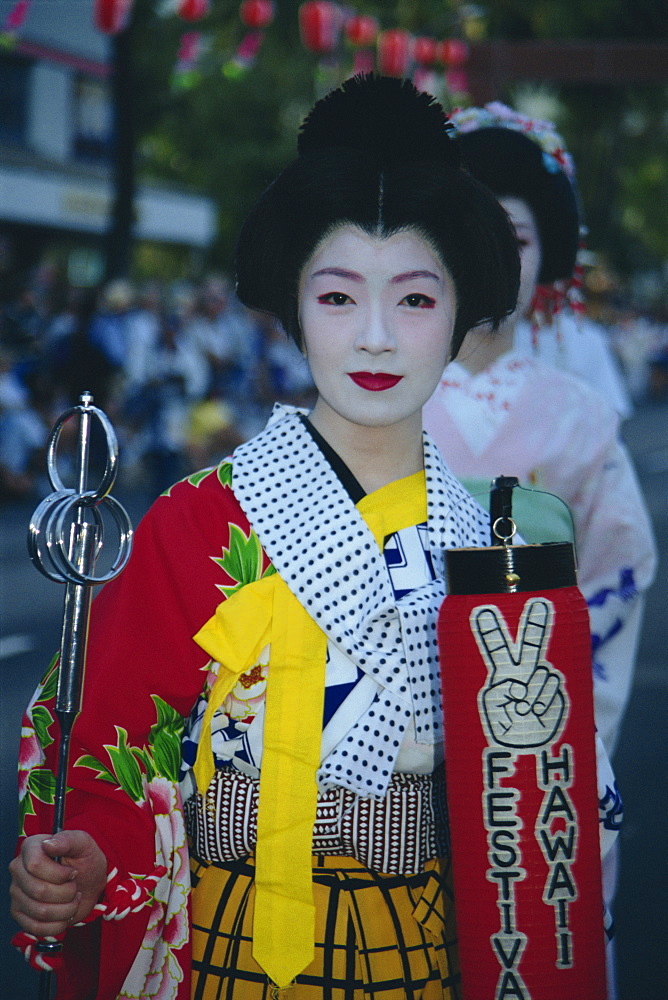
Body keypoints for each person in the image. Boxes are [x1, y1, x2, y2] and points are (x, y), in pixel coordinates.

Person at [9, 77, 612, 1000]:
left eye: (414, 301)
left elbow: (545, 787)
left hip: (431, 940)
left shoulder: (500, 537)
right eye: (337, 298)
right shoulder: (198, 524)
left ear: (460, 313)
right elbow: (111, 746)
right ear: (293, 306)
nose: (374, 337)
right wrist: (90, 857)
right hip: (229, 935)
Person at [422, 104, 657, 998]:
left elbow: (618, 573)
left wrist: (552, 700)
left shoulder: (580, 418)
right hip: (389, 737)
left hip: (535, 732)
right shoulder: (370, 392)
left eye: (513, 232)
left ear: (544, 256)